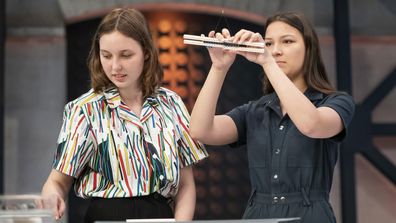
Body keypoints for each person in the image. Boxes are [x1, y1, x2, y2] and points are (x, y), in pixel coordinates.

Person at [41, 8, 208, 223]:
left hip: (161, 215)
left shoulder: (171, 103)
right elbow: (56, 181)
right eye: (106, 56)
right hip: (106, 217)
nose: (115, 66)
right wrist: (52, 195)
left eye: (126, 55)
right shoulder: (85, 109)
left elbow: (186, 185)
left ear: (146, 52)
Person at [190, 12, 354, 223]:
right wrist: (219, 67)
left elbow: (310, 124)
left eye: (287, 41)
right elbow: (200, 131)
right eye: (268, 43)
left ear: (309, 48)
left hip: (309, 214)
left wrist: (268, 63)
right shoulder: (255, 110)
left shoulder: (336, 102)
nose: (275, 51)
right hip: (258, 214)